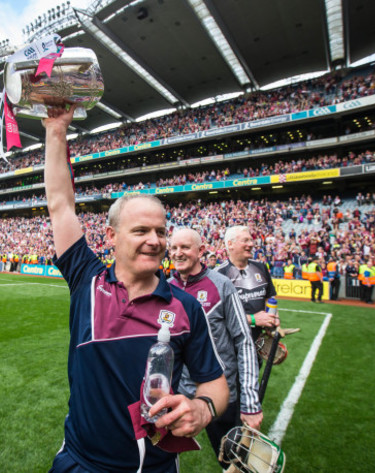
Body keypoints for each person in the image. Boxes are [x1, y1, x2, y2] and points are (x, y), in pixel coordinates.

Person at [43, 105, 229, 473]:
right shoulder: (88, 281)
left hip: (156, 469)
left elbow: (215, 384)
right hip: (81, 464)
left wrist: (202, 409)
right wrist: (55, 129)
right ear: (110, 237)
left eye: (161, 231)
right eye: (141, 231)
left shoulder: (186, 307)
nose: (155, 241)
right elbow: (60, 206)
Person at [169, 228, 262, 468]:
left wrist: (250, 403)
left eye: (185, 248)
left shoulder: (222, 286)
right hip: (178, 392)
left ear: (200, 251)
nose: (178, 253)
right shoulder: (165, 288)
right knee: (163, 457)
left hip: (221, 394)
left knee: (233, 462)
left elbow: (244, 341)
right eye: (173, 248)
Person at [216, 226, 278, 344]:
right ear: (230, 244)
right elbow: (217, 316)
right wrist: (253, 320)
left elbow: (269, 298)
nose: (251, 244)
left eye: (251, 240)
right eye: (245, 241)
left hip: (258, 344)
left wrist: (273, 319)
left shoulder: (261, 267)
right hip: (230, 346)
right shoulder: (218, 274)